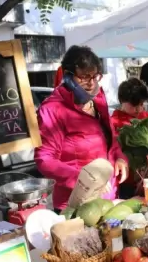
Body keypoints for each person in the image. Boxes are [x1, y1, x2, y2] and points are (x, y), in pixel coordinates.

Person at [34, 45, 129, 213]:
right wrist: (84, 179)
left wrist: (120, 158)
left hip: (107, 198)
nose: (91, 83)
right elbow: (45, 160)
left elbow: (110, 139)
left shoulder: (99, 99)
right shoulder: (53, 109)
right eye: (84, 76)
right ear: (68, 76)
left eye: (95, 76)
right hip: (76, 204)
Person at [111, 78, 148, 199]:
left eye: (141, 104)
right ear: (122, 101)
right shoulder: (113, 122)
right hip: (126, 181)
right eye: (134, 105)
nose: (139, 109)